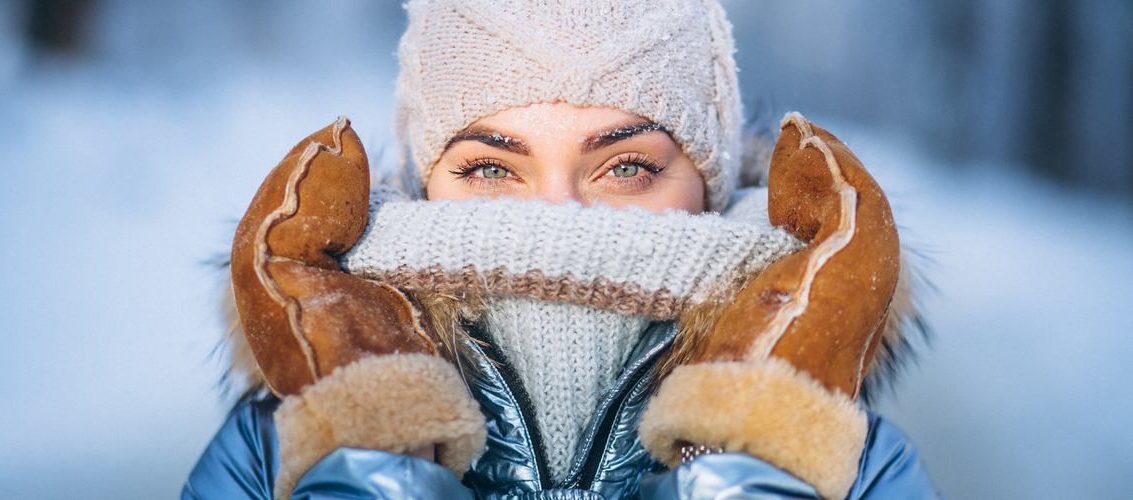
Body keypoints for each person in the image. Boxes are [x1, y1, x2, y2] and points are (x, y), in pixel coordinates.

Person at [183, 1, 943, 499]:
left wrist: (761, 460)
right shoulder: (278, 451)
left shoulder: (842, 462)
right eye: (489, 168)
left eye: (626, 168)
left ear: (708, 187)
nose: (557, 219)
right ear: (423, 182)